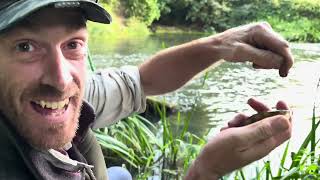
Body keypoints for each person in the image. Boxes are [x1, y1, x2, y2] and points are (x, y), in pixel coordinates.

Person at [0, 0, 293, 180]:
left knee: (122, 174)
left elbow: (141, 81)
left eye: (73, 44)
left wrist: (221, 44)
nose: (62, 80)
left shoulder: (52, 97)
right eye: (26, 46)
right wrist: (206, 171)